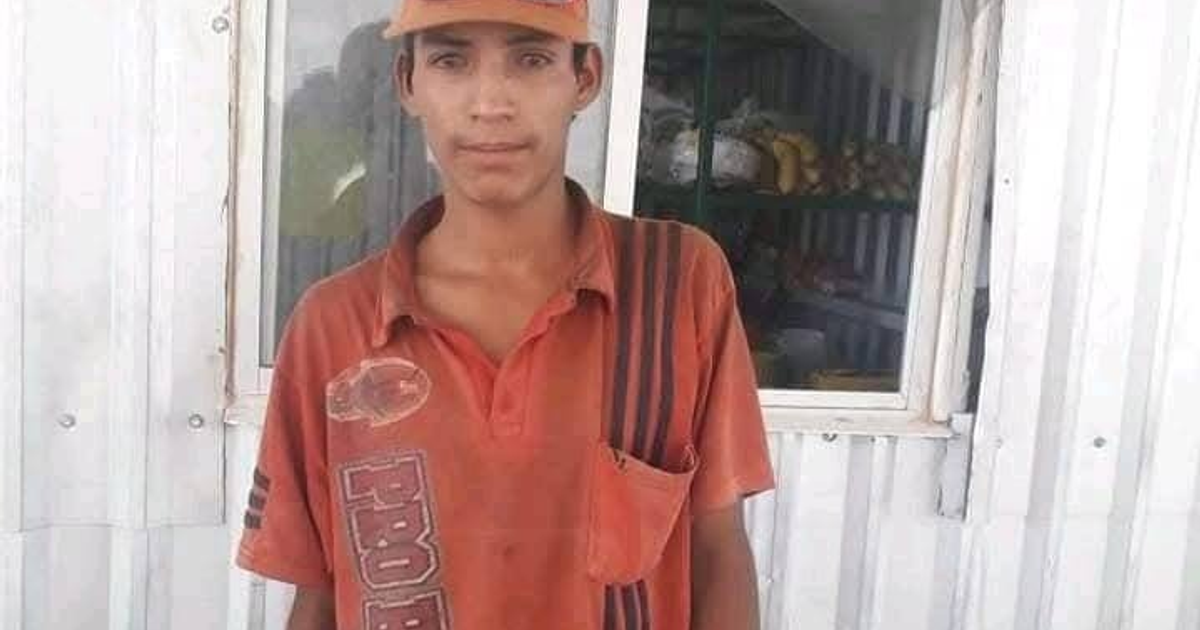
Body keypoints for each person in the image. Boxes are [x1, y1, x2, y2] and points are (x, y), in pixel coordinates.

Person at [234, 1, 776, 628]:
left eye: (532, 58)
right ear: (408, 83)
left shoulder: (678, 284)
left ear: (586, 77)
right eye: (451, 60)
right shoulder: (333, 325)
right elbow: (322, 593)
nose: (491, 102)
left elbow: (716, 550)